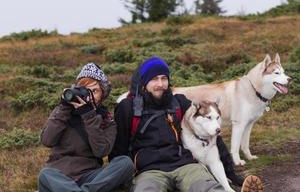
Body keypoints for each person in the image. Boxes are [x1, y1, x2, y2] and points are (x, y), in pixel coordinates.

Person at [109, 57, 263, 192]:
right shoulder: (128, 108)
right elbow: (119, 149)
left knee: (209, 188)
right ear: (144, 82)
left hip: (184, 165)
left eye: (164, 78)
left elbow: (210, 131)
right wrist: (122, 179)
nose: (160, 84)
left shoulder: (179, 102)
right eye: (154, 79)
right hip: (149, 171)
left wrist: (232, 175)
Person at [38, 63, 134, 192]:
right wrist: (63, 108)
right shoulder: (64, 111)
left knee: (125, 163)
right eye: (85, 89)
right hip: (59, 176)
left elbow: (101, 151)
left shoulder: (106, 119)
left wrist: (88, 115)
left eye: (94, 91)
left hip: (89, 175)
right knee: (45, 174)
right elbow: (47, 140)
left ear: (103, 94)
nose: (89, 95)